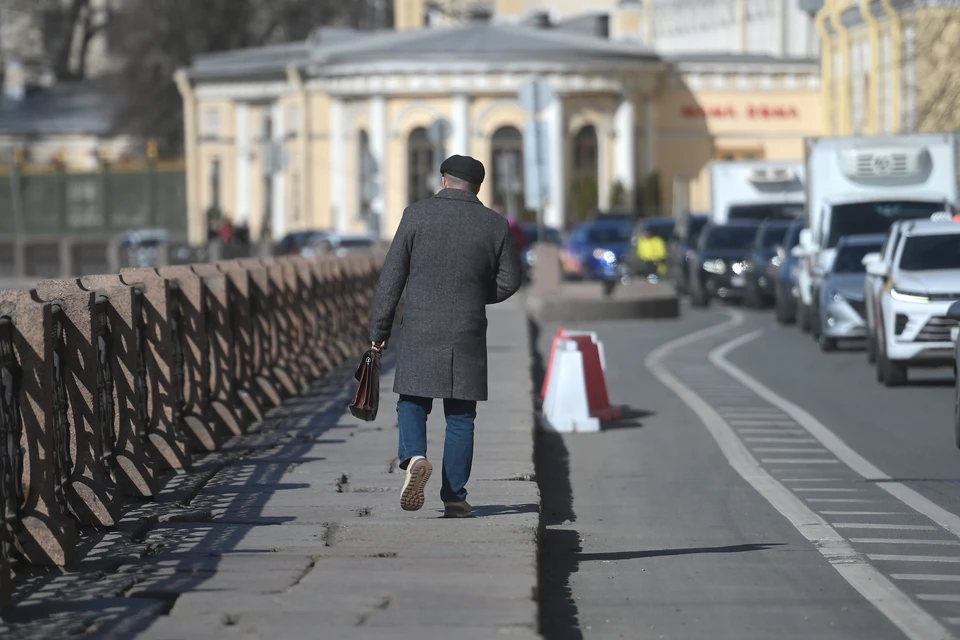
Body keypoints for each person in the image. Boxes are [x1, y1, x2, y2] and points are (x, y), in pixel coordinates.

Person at [369, 154, 523, 518]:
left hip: (420, 325)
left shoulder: (415, 215)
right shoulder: (495, 224)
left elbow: (392, 277)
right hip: (467, 329)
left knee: (412, 401)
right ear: (478, 187)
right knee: (461, 415)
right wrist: (474, 294)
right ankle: (454, 498)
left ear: (443, 181)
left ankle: (414, 458)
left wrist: (379, 330)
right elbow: (510, 280)